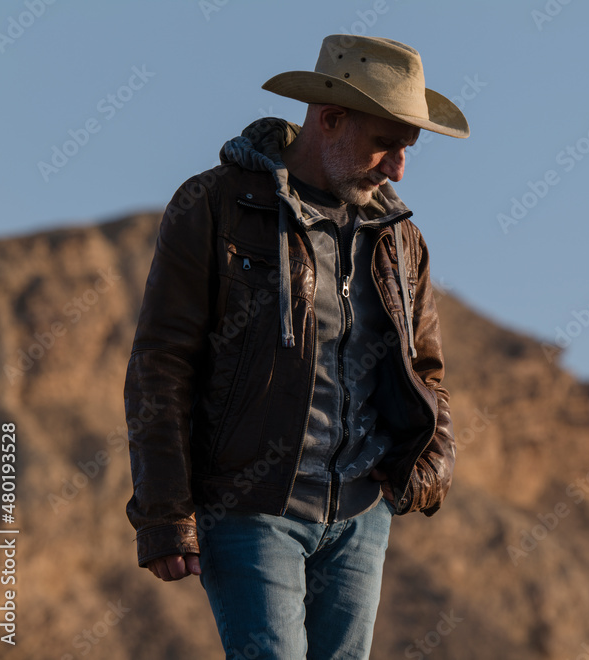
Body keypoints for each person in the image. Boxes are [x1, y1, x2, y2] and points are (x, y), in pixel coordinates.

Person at [124, 34, 468, 659]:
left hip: (363, 515)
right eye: (385, 144)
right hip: (251, 509)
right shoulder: (214, 205)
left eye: (407, 150)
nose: (396, 167)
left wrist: (433, 463)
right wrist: (164, 510)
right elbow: (161, 363)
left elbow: (425, 370)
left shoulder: (399, 240)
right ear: (329, 118)